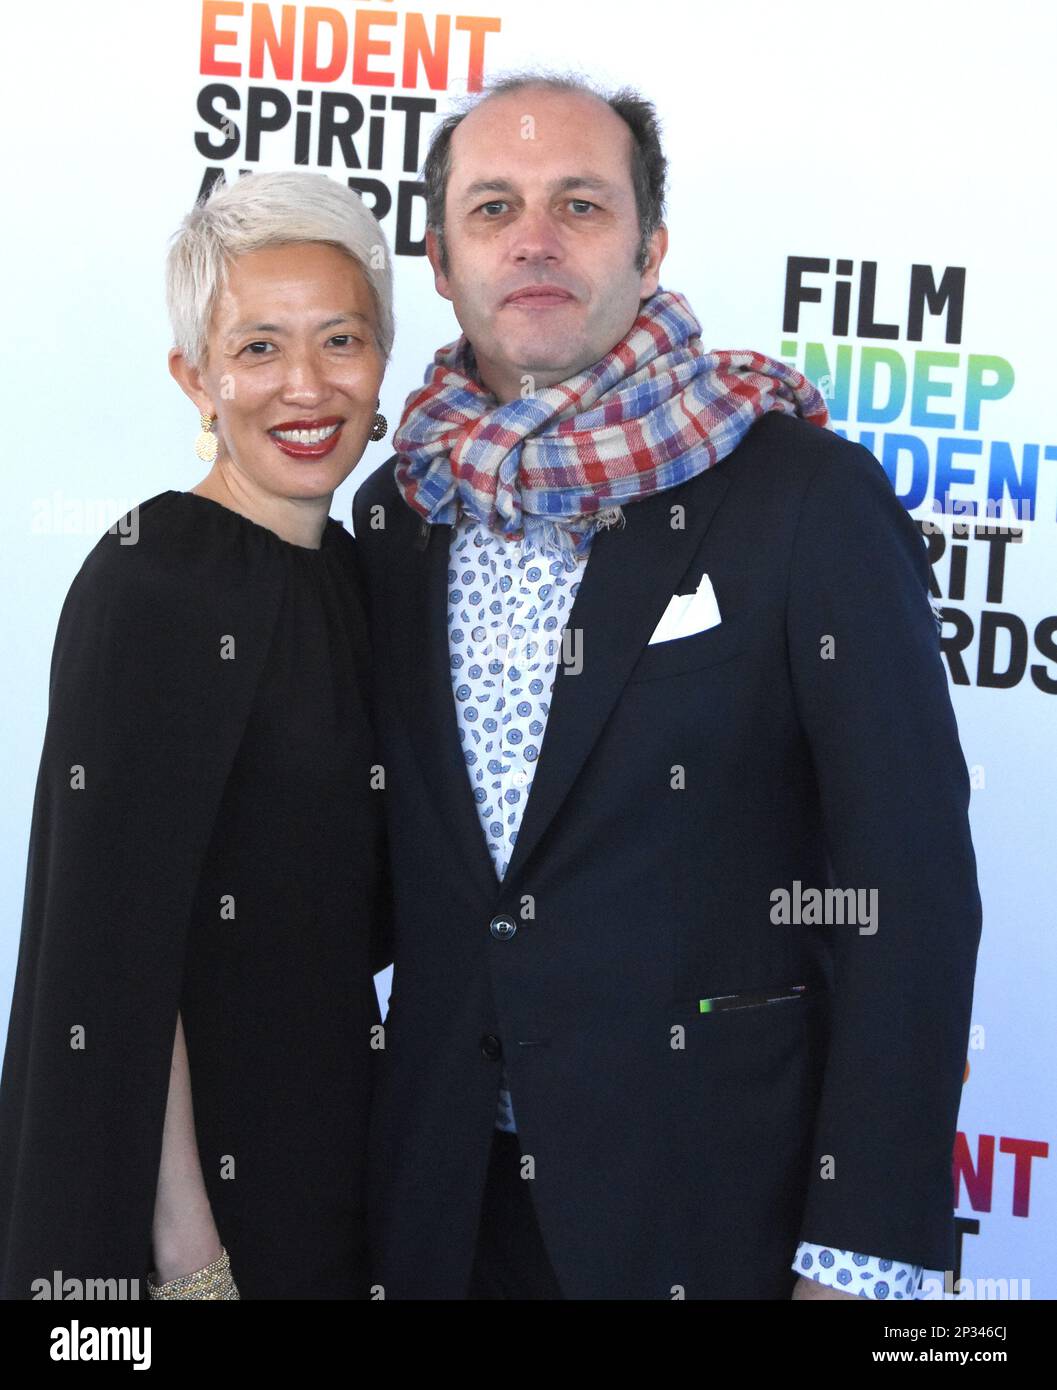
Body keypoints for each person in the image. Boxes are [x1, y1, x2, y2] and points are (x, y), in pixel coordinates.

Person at [352, 73, 983, 1300]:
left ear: (650, 248)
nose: (533, 239)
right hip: (434, 1209)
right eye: (493, 208)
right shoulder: (395, 512)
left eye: (579, 204)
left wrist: (859, 1261)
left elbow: (903, 894)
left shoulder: (803, 498)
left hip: (710, 1215)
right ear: (438, 259)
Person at [0, 170, 394, 1299]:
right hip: (197, 1214)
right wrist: (188, 1252)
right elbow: (109, 955)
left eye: (340, 340)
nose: (306, 386)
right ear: (196, 378)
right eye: (259, 349)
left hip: (343, 1166)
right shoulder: (154, 576)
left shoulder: (365, 580)